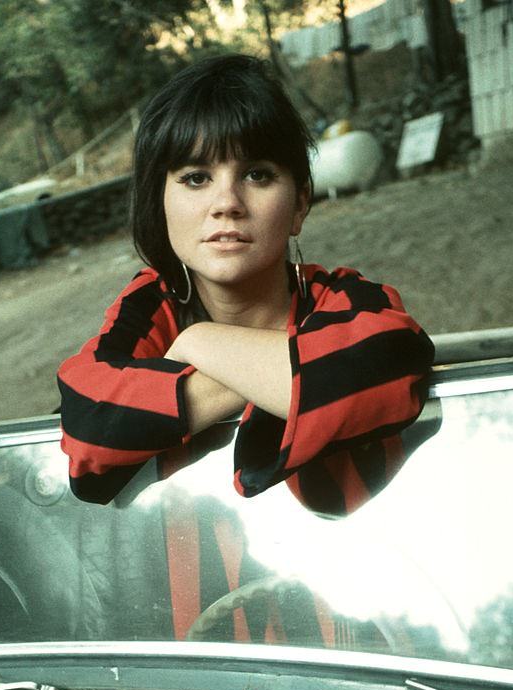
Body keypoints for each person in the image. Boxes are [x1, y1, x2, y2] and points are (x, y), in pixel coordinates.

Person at [56, 53, 434, 515]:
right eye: (196, 178)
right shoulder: (152, 304)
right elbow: (89, 424)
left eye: (257, 175)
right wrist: (281, 369)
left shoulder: (345, 298)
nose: (227, 203)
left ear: (299, 204)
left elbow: (390, 364)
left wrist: (200, 343)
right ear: (160, 204)